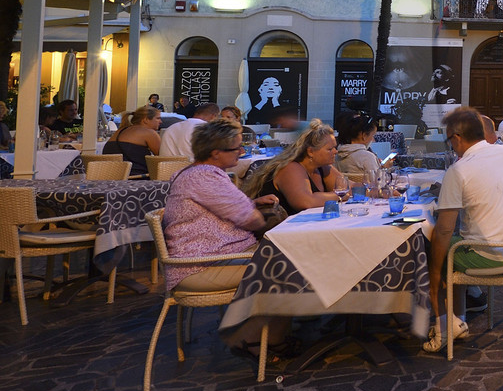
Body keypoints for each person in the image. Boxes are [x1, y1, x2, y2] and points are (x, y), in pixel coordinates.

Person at [161, 118, 290, 362]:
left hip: (208, 258)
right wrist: (258, 215)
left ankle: (270, 335)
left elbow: (219, 209)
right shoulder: (205, 177)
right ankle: (253, 340)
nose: (242, 152)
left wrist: (251, 203)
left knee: (286, 257)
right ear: (215, 153)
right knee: (287, 267)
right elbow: (251, 220)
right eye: (236, 148)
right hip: (201, 266)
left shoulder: (193, 173)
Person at [425, 107, 503, 353]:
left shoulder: (459, 170)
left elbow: (444, 230)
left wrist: (433, 280)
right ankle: (459, 318)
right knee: (455, 243)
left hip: (492, 256)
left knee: (436, 244)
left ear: (456, 138)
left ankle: (444, 326)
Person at [242, 120, 350, 213]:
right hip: (275, 230)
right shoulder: (291, 168)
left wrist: (361, 187)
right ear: (311, 151)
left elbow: (349, 188)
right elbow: (305, 202)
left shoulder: (322, 167)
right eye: (330, 149)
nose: (335, 151)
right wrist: (341, 196)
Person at [103, 105, 162, 177]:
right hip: (136, 179)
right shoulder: (149, 133)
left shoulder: (121, 130)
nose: (160, 122)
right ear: (146, 119)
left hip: (109, 177)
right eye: (158, 118)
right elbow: (162, 158)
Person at [335, 111, 384, 187]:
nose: (373, 139)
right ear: (364, 135)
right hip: (368, 195)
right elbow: (379, 184)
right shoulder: (367, 157)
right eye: (372, 135)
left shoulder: (337, 155)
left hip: (346, 194)